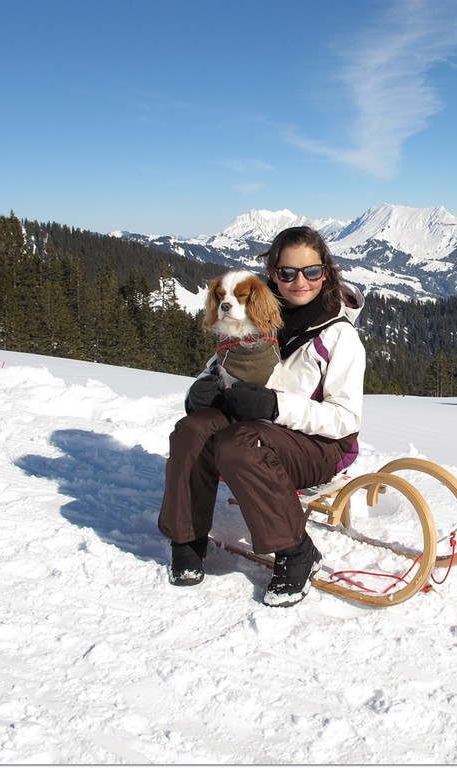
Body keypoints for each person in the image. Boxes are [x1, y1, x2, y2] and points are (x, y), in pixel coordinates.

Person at [157, 226, 365, 607]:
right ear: (273, 275)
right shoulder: (249, 315)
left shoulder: (340, 336)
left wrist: (275, 406)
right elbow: (215, 370)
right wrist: (198, 394)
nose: (299, 281)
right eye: (287, 273)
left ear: (327, 272)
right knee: (193, 429)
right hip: (259, 429)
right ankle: (187, 538)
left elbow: (346, 419)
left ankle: (297, 551)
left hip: (319, 446)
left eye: (311, 271)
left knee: (241, 443)